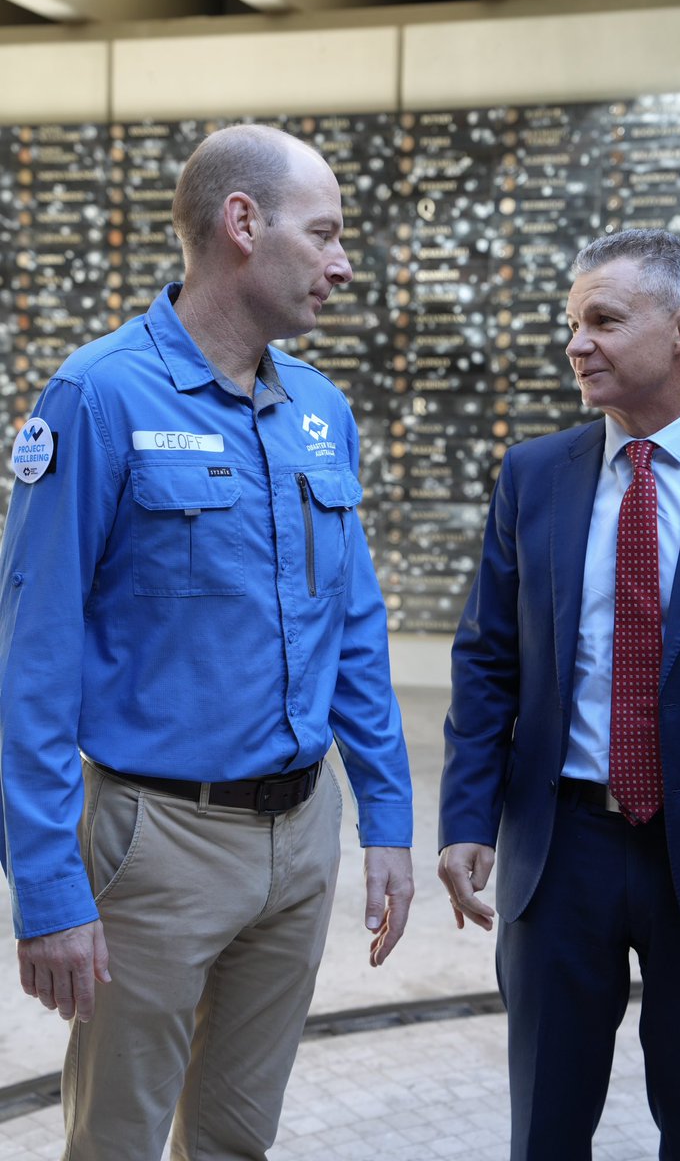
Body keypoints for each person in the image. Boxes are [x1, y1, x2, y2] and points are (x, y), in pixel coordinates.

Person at [0, 123, 414, 1161]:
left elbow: (353, 629)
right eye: (322, 234)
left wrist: (387, 819)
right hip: (156, 845)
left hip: (301, 836)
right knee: (117, 1142)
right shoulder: (97, 398)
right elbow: (32, 661)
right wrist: (48, 892)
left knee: (235, 1136)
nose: (341, 261)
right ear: (242, 224)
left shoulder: (320, 410)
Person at [437, 227, 680, 1160]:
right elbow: (486, 659)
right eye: (570, 322)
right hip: (559, 854)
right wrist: (465, 817)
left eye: (601, 320)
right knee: (545, 1129)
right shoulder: (531, 476)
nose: (575, 343)